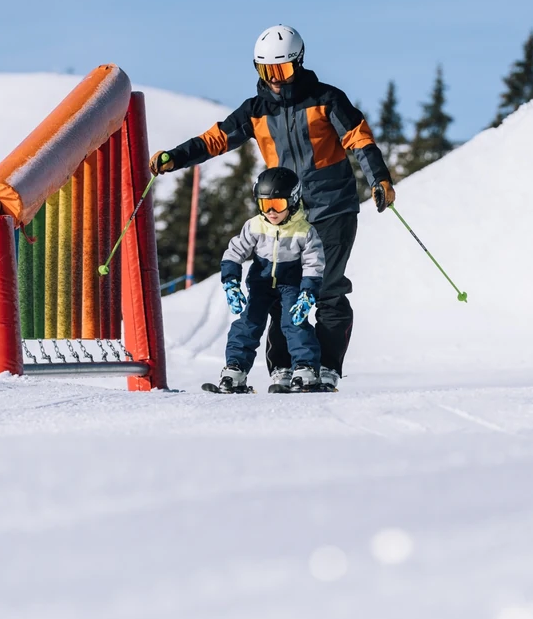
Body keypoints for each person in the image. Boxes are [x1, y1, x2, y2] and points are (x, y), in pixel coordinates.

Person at [151, 24, 396, 391]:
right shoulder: (256, 111)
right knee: (284, 288)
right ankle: (284, 367)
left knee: (327, 287)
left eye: (281, 71)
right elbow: (215, 138)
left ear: (298, 63)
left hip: (333, 207)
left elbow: (358, 137)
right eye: (267, 72)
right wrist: (177, 157)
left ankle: (326, 366)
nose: (275, 80)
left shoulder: (326, 98)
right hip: (285, 215)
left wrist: (379, 178)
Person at [215, 167, 325, 393]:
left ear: (293, 201)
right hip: (261, 283)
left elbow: (314, 263)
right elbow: (234, 252)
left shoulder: (304, 231)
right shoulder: (255, 225)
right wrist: (231, 282)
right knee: (248, 323)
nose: (272, 212)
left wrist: (307, 293)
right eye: (265, 205)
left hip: (290, 284)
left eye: (278, 205)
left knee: (294, 322)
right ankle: (235, 370)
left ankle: (305, 370)